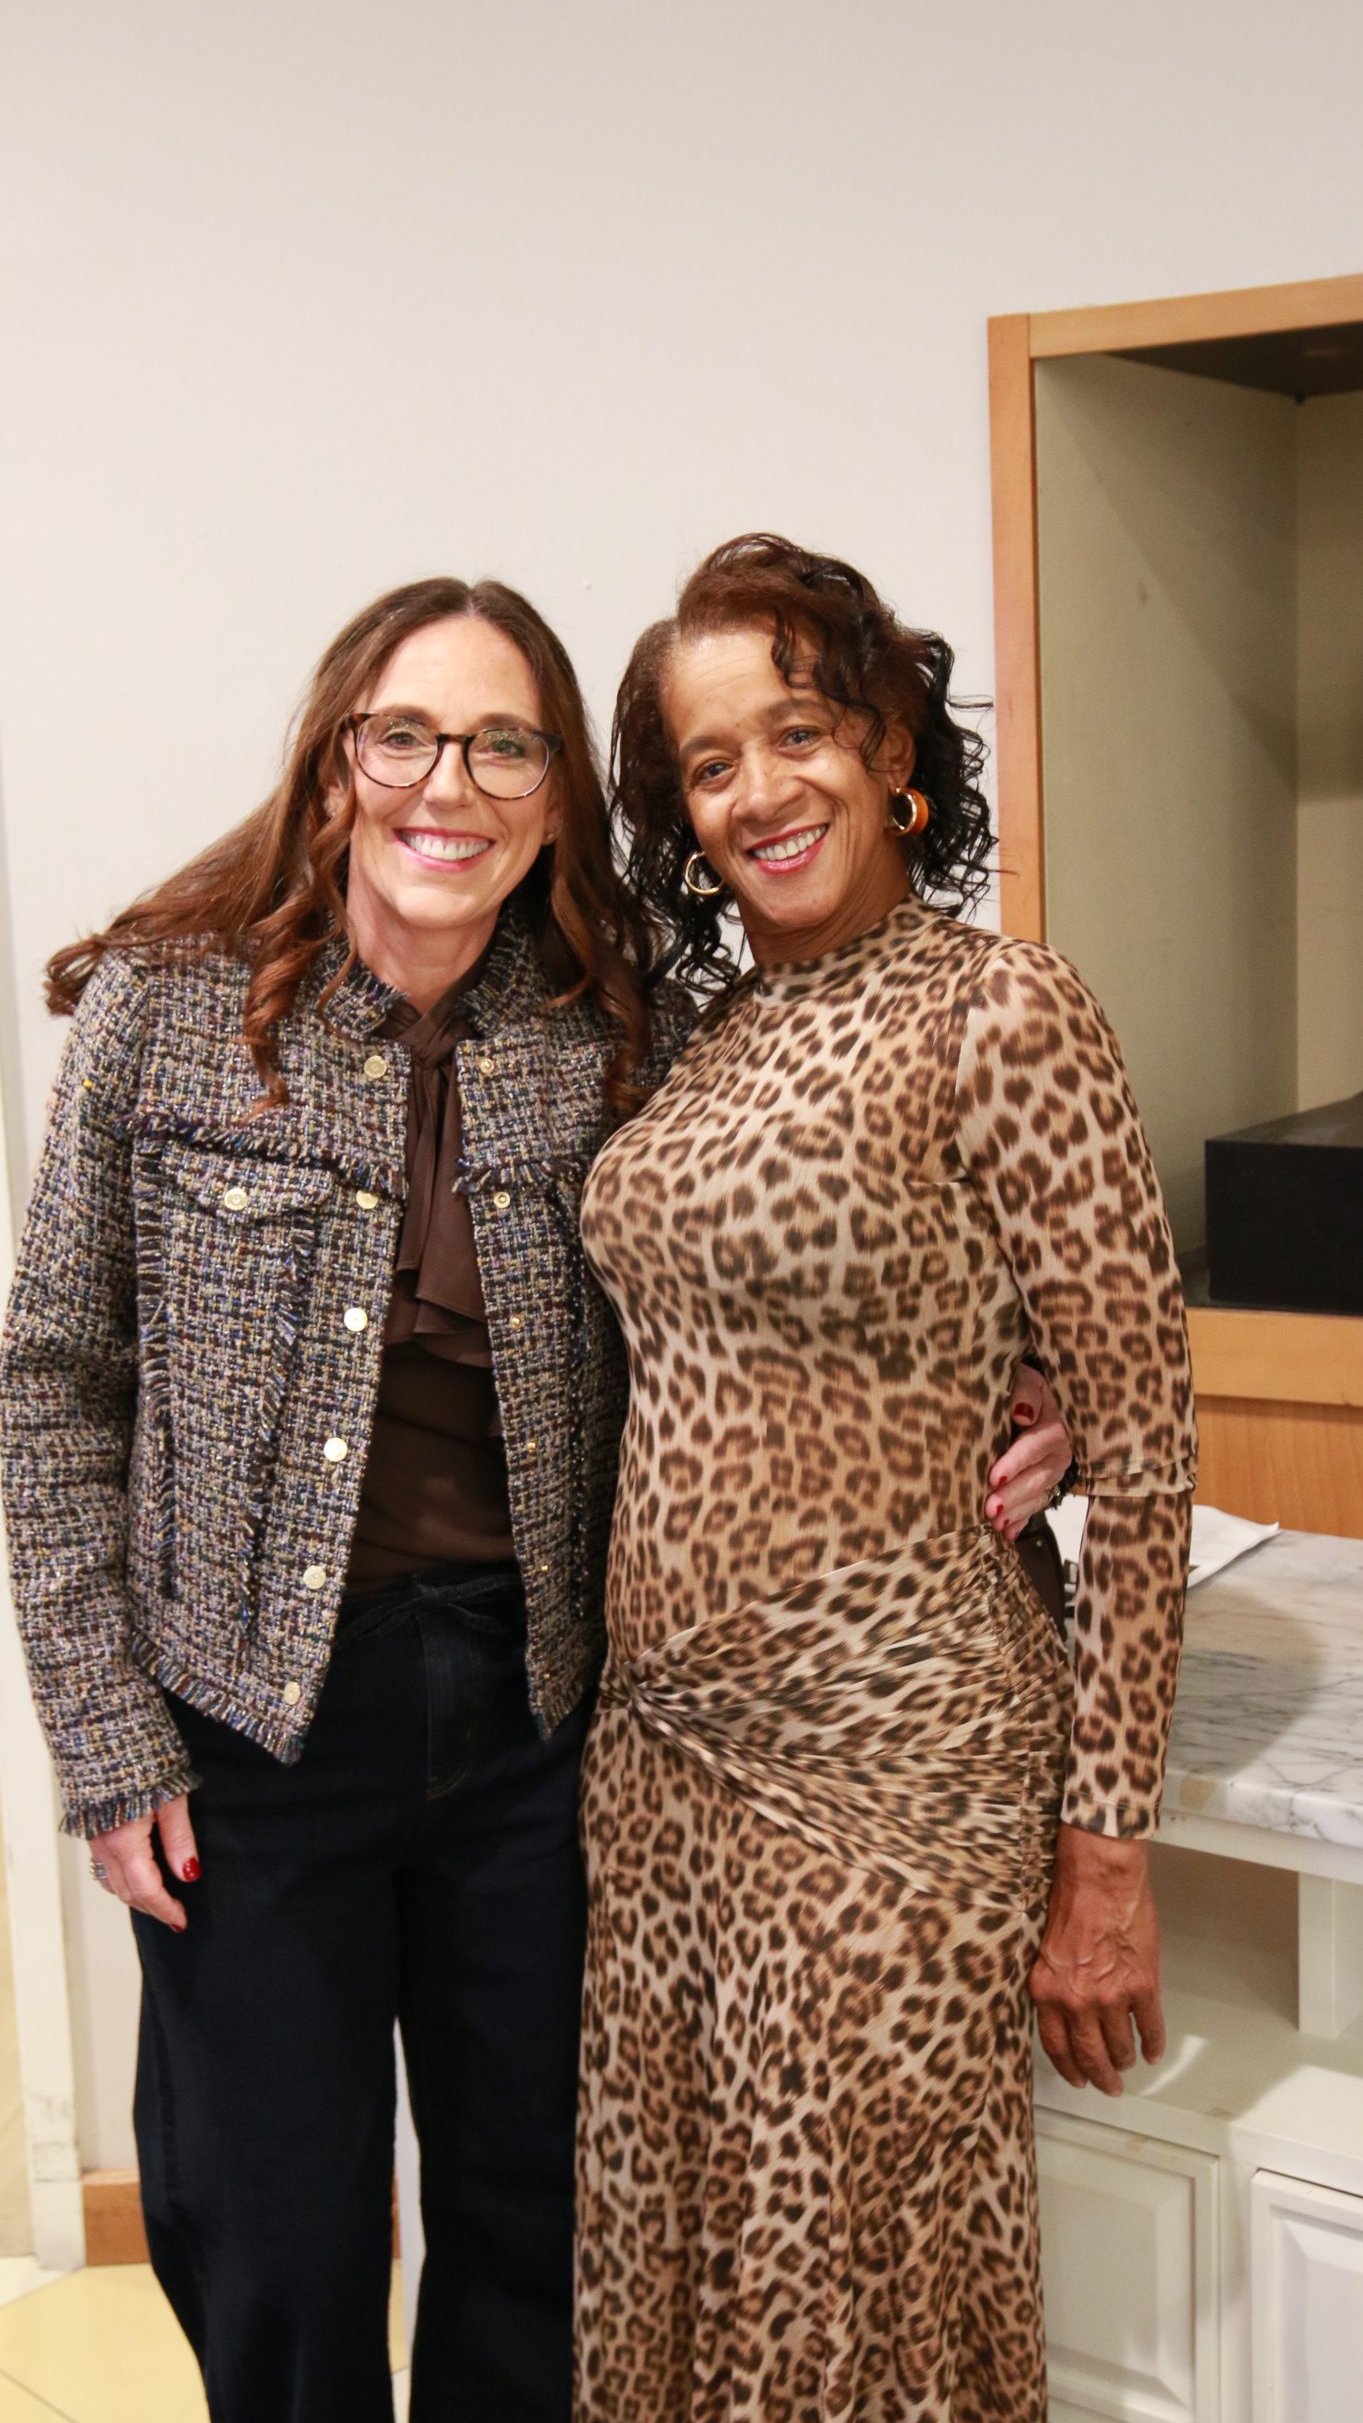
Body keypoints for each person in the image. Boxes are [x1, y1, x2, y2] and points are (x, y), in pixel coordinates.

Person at [0, 573, 1072, 2423]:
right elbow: (51, 1383)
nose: (452, 785)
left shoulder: (619, 1024)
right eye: (406, 736)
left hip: (538, 1723)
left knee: (534, 2226)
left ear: (558, 795)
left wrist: (1025, 1373)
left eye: (506, 746)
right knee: (275, 2234)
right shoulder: (167, 1014)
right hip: (256, 1732)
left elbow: (822, 1221)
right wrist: (105, 1739)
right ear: (337, 762)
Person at [574, 534, 1195, 2423]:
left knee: (853, 2327)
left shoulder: (1002, 1010)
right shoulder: (698, 1040)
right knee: (679, 2291)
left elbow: (1146, 1456)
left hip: (895, 1781)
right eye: (711, 762)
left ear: (892, 744)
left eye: (801, 731)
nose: (761, 790)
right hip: (662, 1784)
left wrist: (1105, 1859)